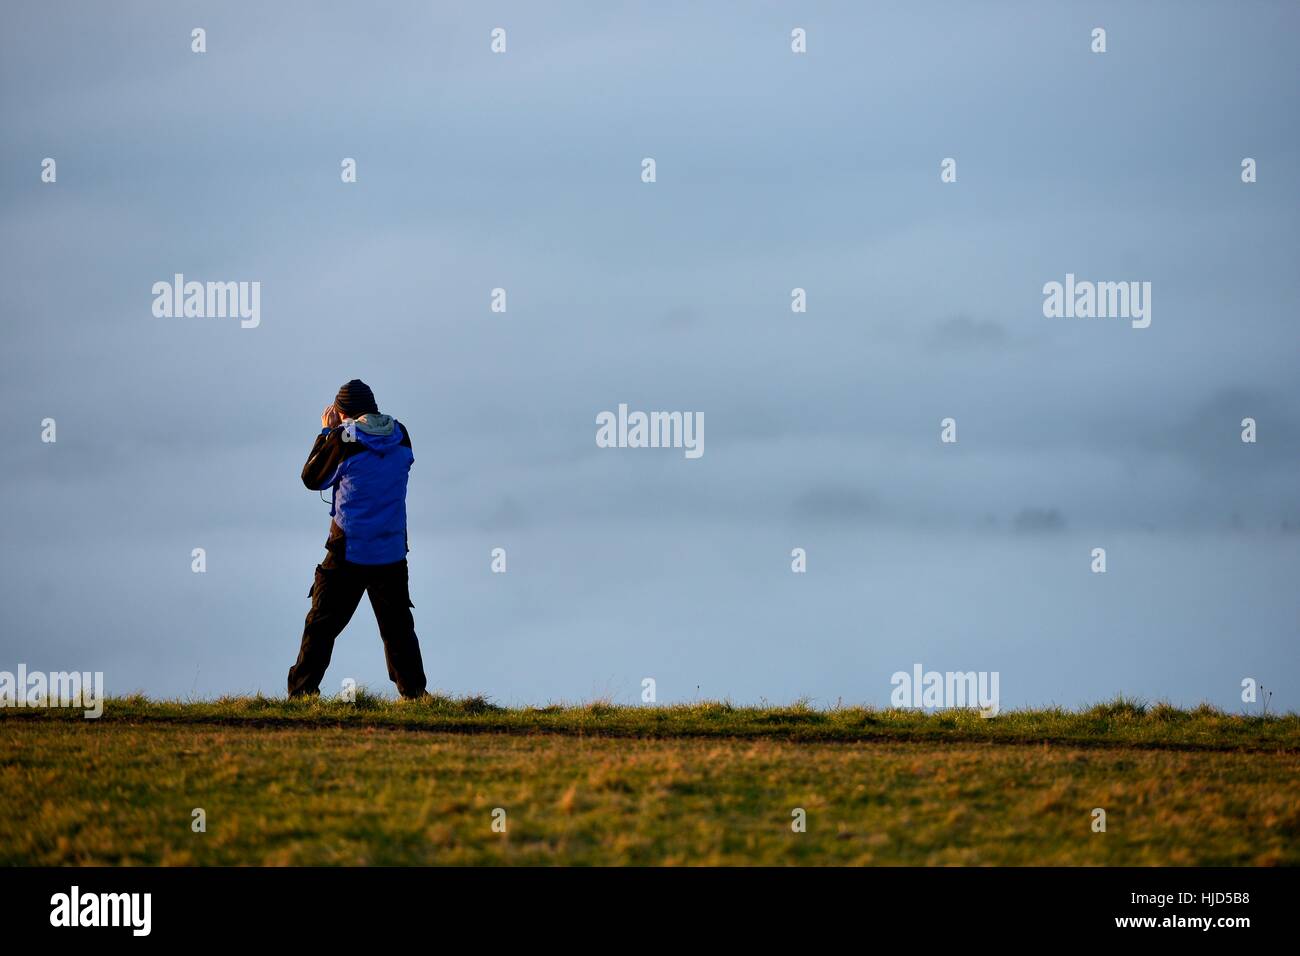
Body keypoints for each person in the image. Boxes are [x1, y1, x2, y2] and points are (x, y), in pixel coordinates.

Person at [288, 379, 427, 699]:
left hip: (348, 546)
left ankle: (302, 691)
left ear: (342, 412)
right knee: (398, 628)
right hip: (391, 547)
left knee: (321, 623)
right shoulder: (401, 434)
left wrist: (327, 432)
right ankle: (415, 694)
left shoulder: (342, 438)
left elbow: (312, 478)